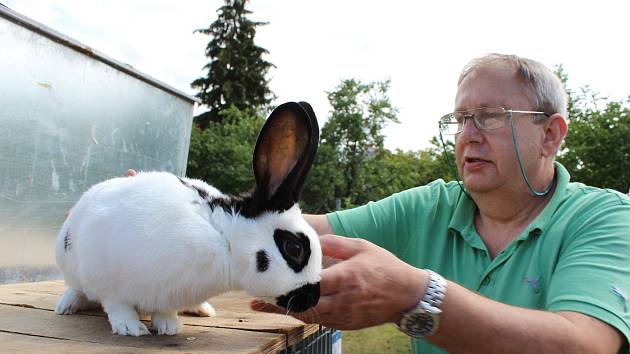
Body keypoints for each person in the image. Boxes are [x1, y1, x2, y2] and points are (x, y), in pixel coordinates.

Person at [250, 53, 630, 354]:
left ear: (550, 135)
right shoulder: (433, 206)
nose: (467, 136)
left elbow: (586, 344)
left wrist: (417, 295)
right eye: (461, 119)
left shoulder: (605, 217)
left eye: (489, 117)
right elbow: (300, 234)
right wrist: (204, 214)